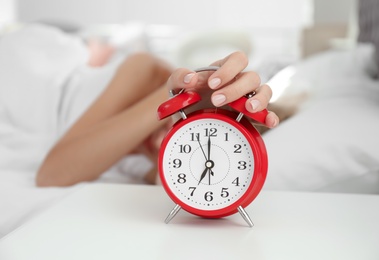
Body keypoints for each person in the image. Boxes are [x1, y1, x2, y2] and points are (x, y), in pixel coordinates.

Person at [36, 51, 280, 187]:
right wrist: (185, 98)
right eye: (196, 133)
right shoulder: (146, 70)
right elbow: (51, 175)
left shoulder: (156, 160)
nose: (163, 142)